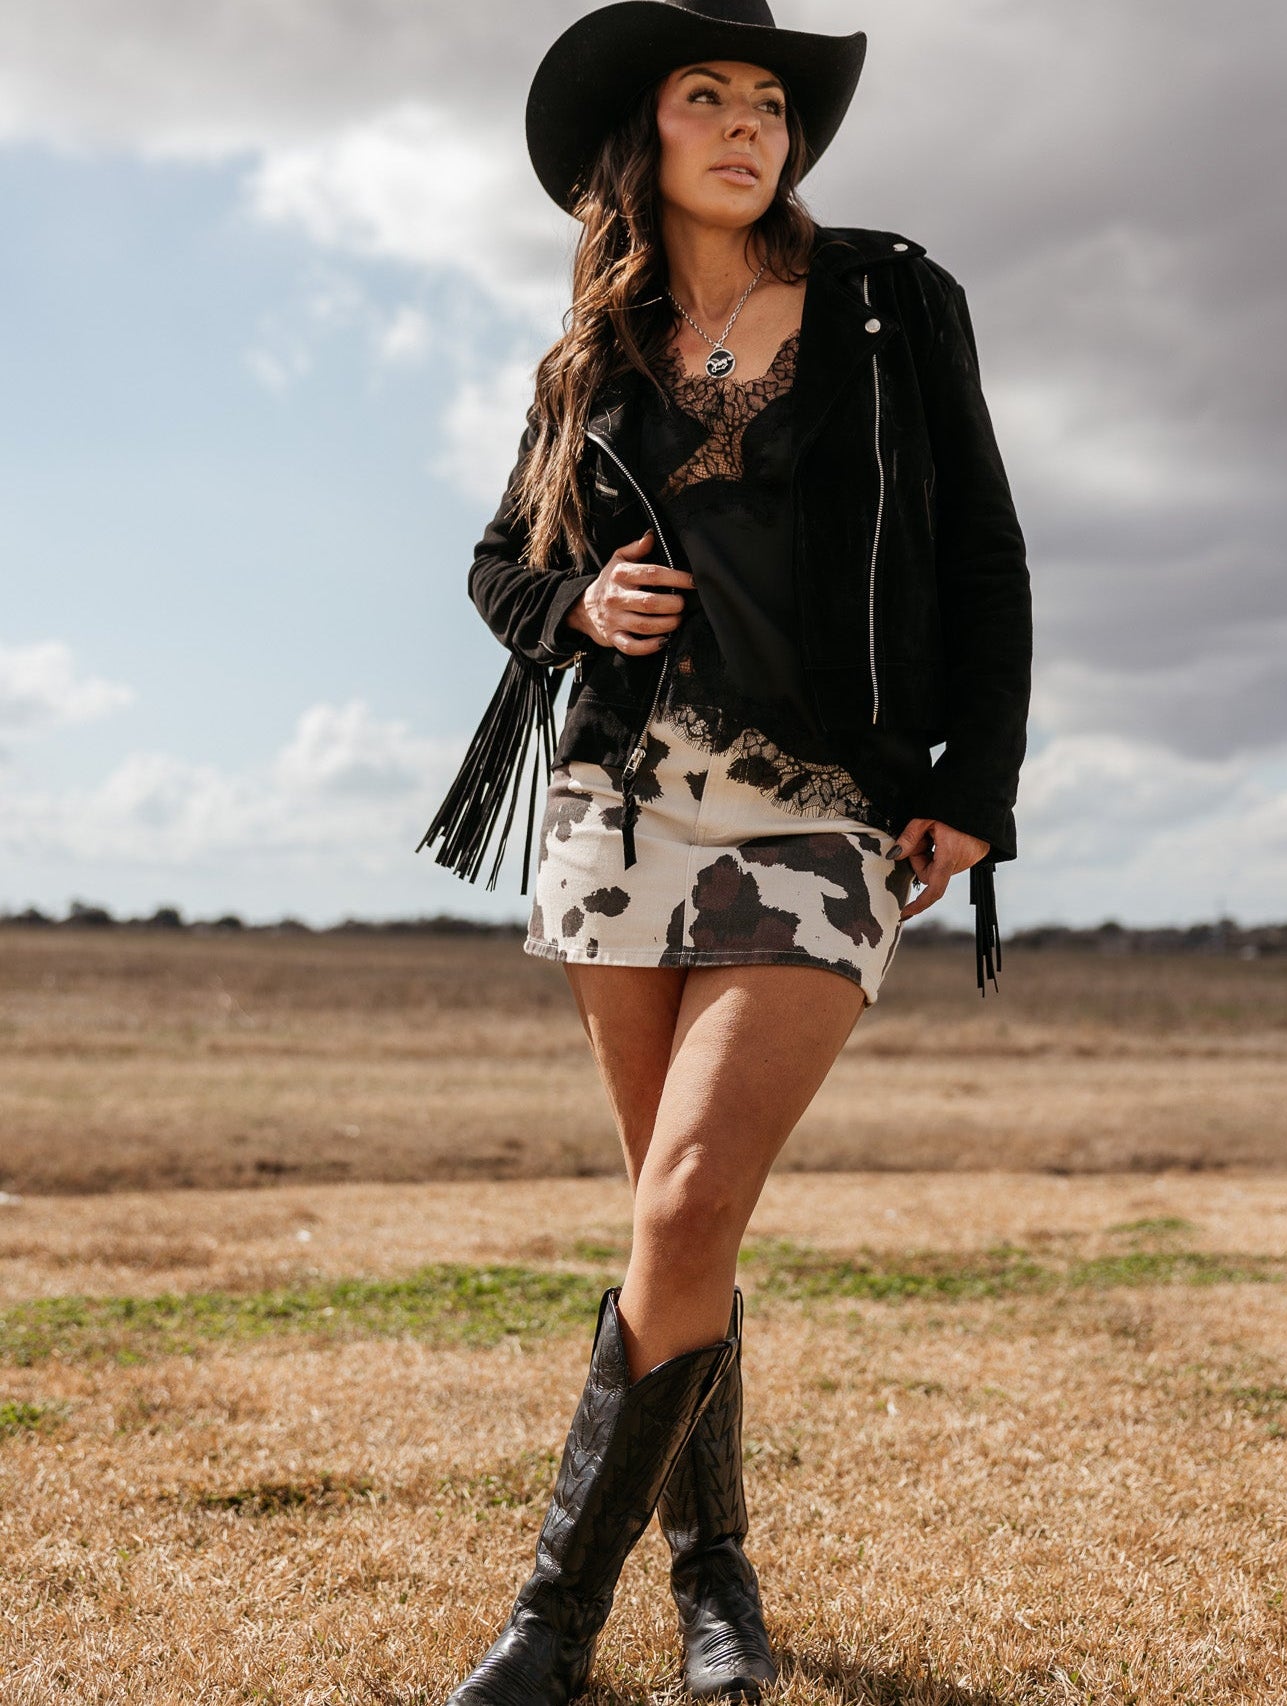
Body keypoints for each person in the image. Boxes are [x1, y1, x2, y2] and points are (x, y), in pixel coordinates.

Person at [421, 3, 1031, 1701]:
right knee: (668, 1234)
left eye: (769, 97)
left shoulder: (889, 300)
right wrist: (578, 604)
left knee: (688, 1198)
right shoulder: (589, 355)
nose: (751, 122)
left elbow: (981, 546)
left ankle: (550, 1621)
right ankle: (717, 1585)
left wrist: (973, 775)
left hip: (822, 802)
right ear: (648, 135)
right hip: (623, 803)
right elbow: (497, 565)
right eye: (710, 94)